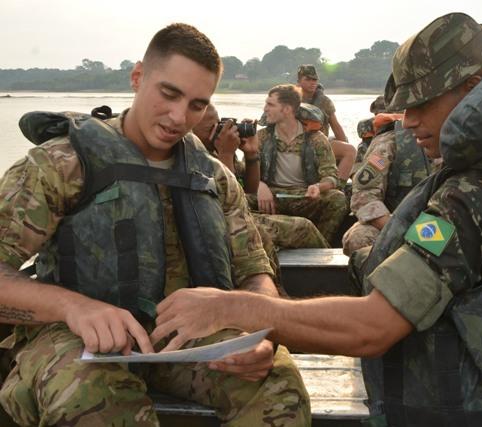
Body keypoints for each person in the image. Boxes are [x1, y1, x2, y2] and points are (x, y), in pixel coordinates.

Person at [148, 13, 482, 427]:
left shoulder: (474, 195)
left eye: (422, 103)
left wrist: (233, 308)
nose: (408, 121)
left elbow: (371, 329)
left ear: (473, 89)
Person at [0, 23, 310, 426]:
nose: (179, 117)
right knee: (91, 396)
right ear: (137, 77)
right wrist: (73, 307)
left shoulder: (213, 177)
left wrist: (261, 331)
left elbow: (253, 272)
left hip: (184, 339)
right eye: (169, 94)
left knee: (276, 381)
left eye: (198, 105)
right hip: (73, 338)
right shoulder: (59, 165)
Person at [193, 104, 329, 249]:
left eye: (218, 124)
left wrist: (251, 153)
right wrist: (226, 154)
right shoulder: (194, 155)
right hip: (218, 220)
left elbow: (250, 189)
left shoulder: (216, 149)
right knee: (303, 227)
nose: (219, 132)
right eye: (210, 128)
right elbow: (229, 200)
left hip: (236, 214)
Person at [251, 84, 347, 244]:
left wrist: (318, 187)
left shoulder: (316, 138)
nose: (265, 109)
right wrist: (260, 185)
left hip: (304, 197)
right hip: (271, 197)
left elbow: (331, 177)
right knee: (241, 200)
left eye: (270, 104)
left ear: (287, 109)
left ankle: (320, 246)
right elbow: (244, 173)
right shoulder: (261, 137)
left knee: (338, 199)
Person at [342, 107, 432, 256]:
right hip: (391, 219)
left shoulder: (462, 140)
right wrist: (401, 229)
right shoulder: (389, 143)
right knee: (358, 239)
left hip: (438, 221)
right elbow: (364, 194)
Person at [297, 64, 356, 187]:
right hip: (296, 143)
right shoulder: (292, 99)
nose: (312, 83)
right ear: (299, 81)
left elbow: (335, 125)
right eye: (307, 79)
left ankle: (337, 186)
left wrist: (343, 143)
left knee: (350, 150)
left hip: (320, 143)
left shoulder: (324, 101)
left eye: (314, 80)